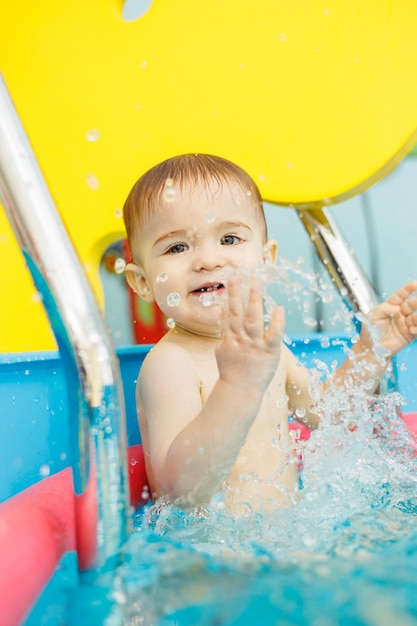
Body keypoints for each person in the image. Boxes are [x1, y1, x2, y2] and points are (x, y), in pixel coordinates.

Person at [123, 153, 417, 514]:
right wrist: (237, 388)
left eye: (229, 239)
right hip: (214, 560)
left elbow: (326, 415)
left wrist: (371, 350)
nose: (208, 260)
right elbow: (180, 491)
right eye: (177, 247)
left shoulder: (266, 349)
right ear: (142, 283)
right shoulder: (171, 363)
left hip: (286, 542)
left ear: (267, 260)